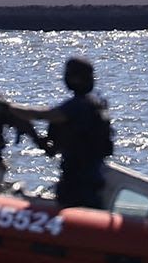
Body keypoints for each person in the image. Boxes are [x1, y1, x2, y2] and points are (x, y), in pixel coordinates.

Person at [9, 57, 115, 209]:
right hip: (91, 179)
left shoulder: (79, 105)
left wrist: (10, 108)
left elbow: (45, 115)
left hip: (78, 183)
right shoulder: (96, 103)